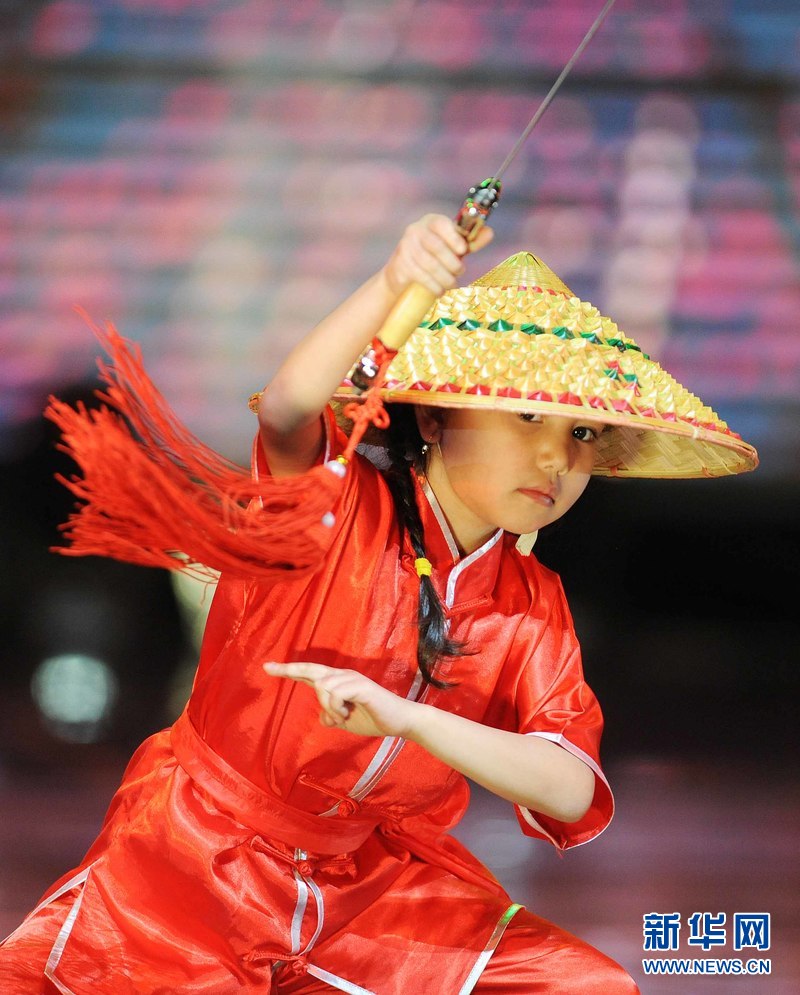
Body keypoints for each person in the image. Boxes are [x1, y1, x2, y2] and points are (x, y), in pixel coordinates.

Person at [0, 214, 756, 994]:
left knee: (585, 986)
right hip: (197, 862)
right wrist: (397, 279)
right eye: (528, 416)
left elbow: (570, 784)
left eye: (584, 433)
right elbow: (287, 408)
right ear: (434, 416)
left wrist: (409, 719)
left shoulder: (530, 602)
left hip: (369, 889)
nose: (555, 456)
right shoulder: (333, 505)